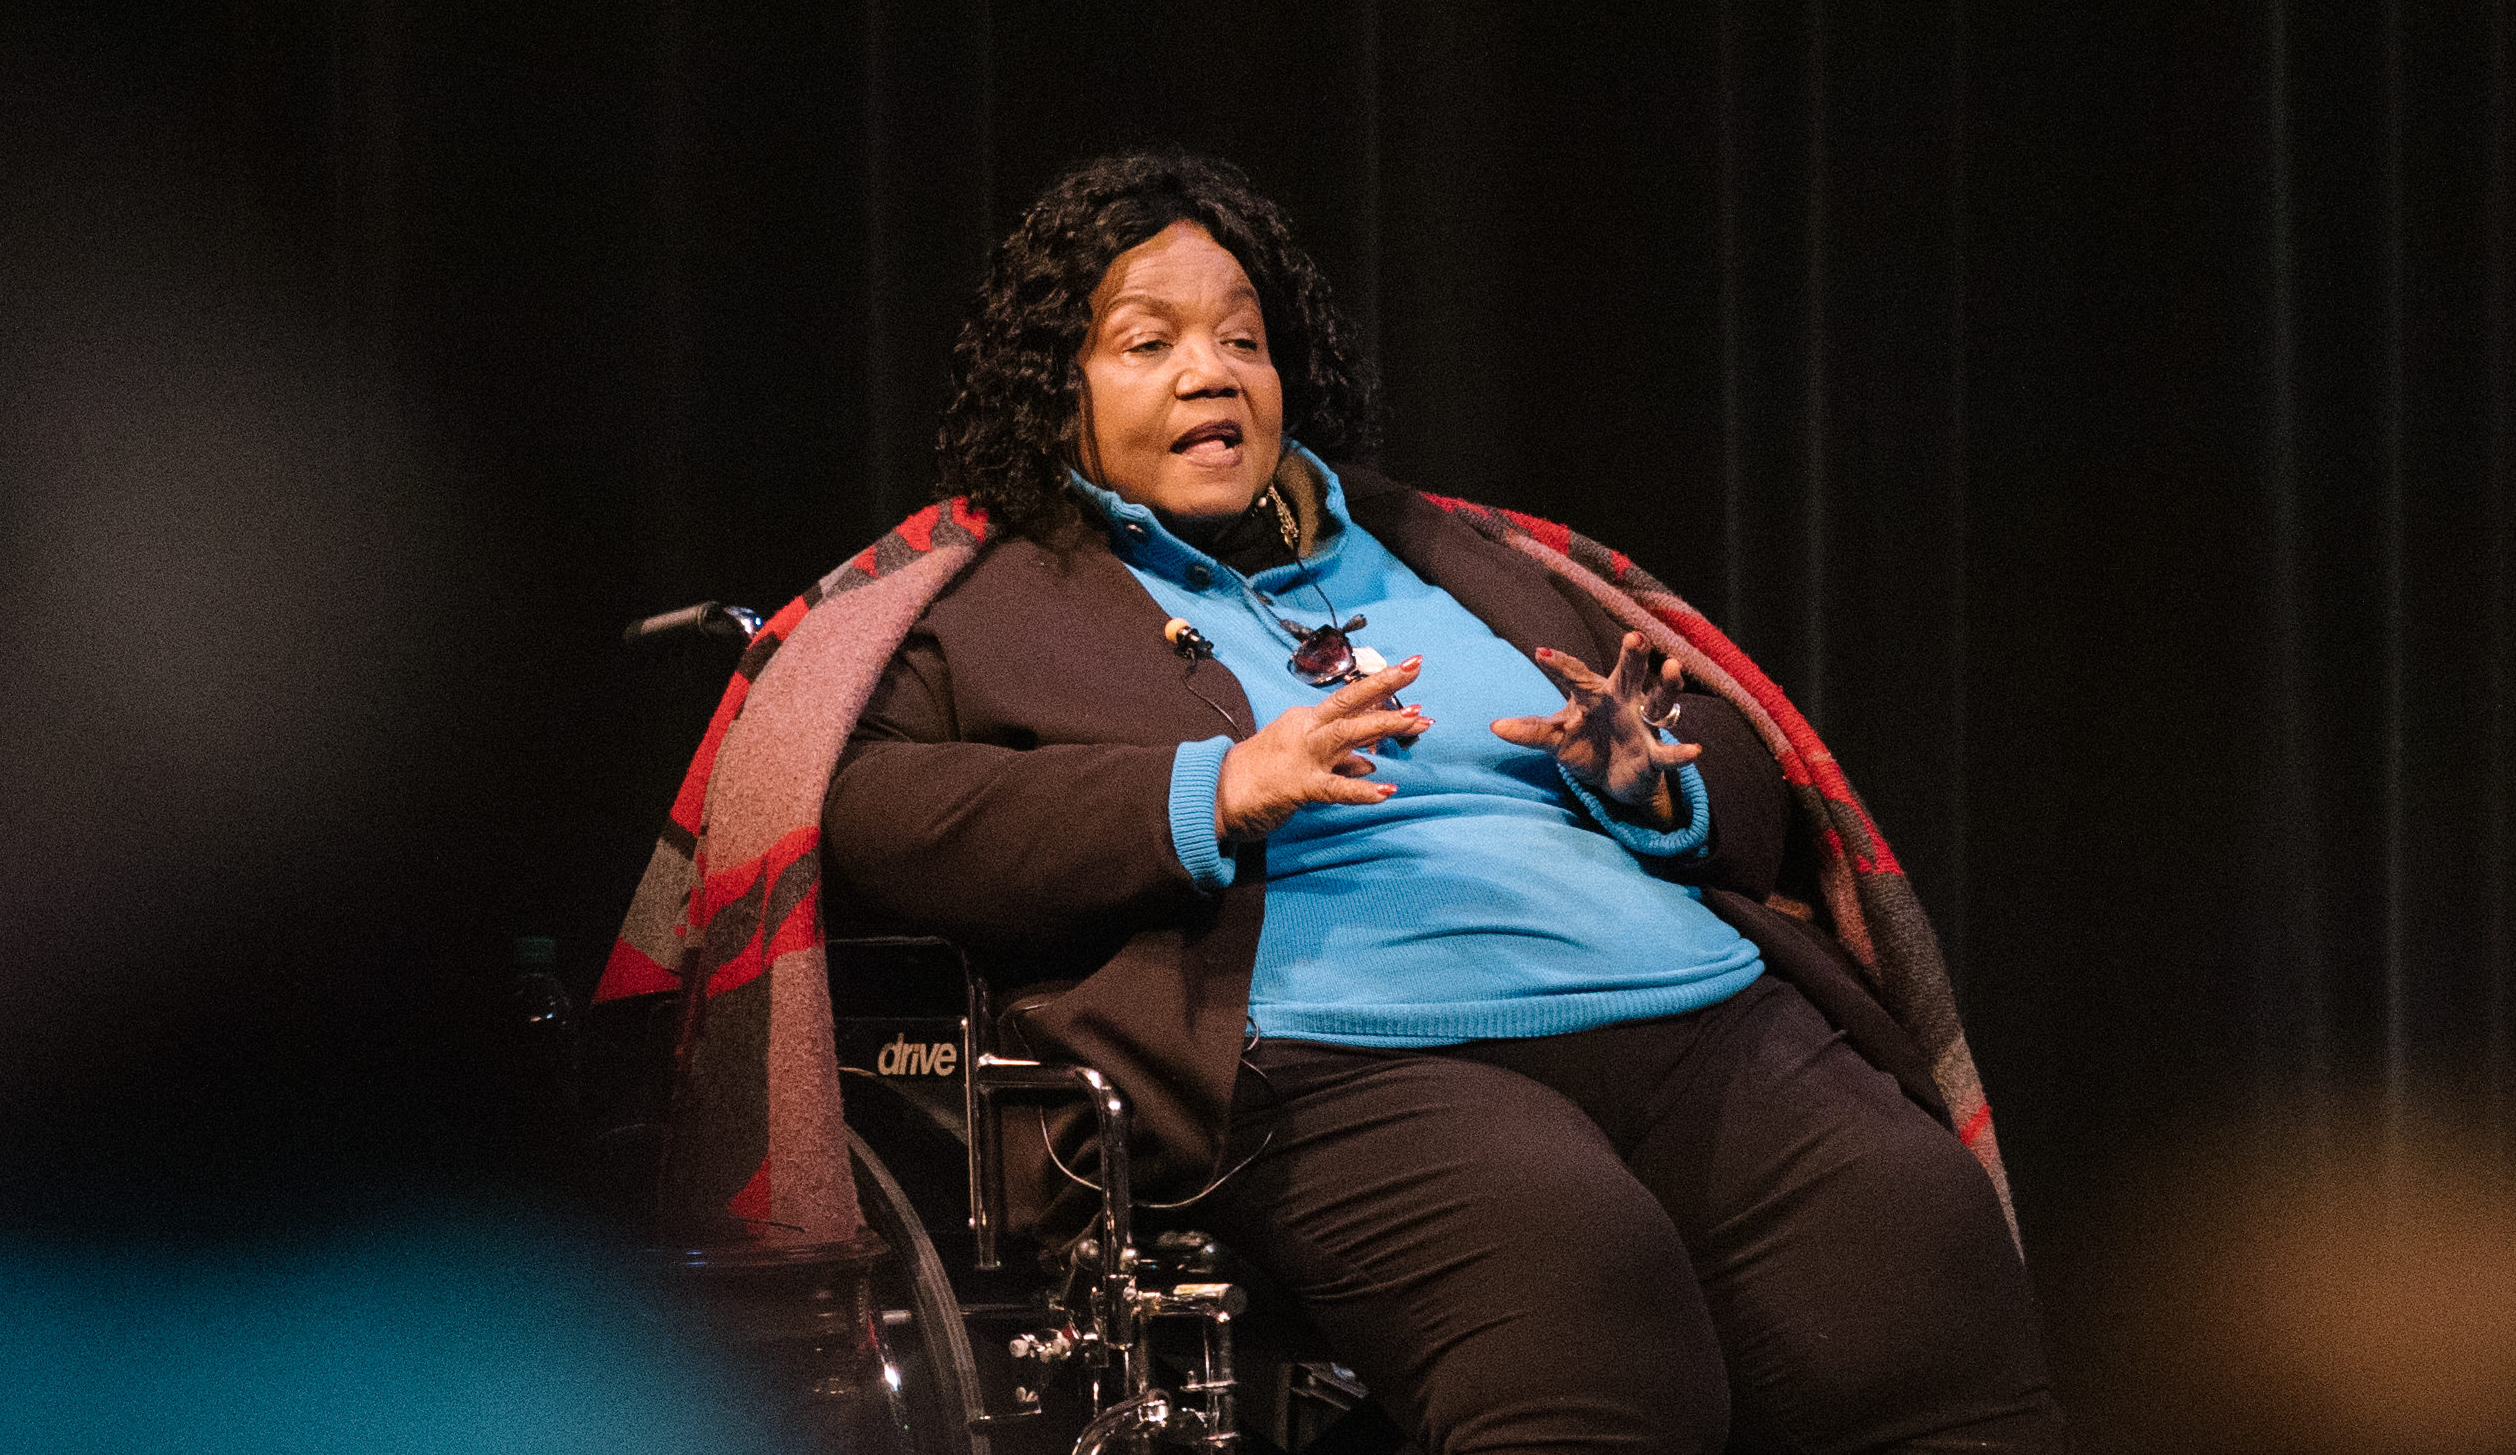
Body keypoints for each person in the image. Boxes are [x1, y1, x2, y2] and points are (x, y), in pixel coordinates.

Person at [816, 150, 2062, 1455]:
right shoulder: (994, 600)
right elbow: (876, 813)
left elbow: (1735, 753)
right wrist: (1212, 789)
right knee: (1581, 1281)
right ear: (1053, 391)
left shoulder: (1457, 550)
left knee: (1916, 1235)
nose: (1210, 368)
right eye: (1146, 341)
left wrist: (1655, 772)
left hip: (1694, 1010)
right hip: (1360, 1056)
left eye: (1244, 336)